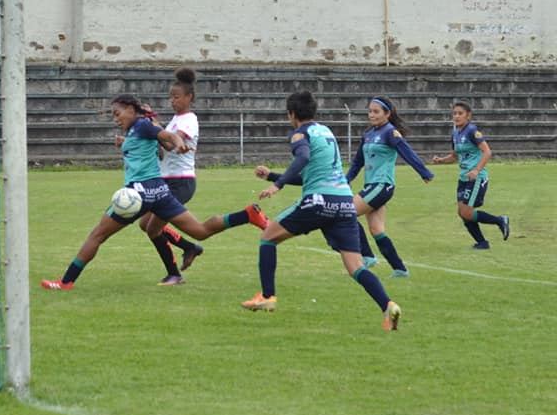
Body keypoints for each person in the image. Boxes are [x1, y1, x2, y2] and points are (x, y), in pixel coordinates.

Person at [41, 93, 268, 291]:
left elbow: (169, 137)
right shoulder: (136, 130)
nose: (115, 118)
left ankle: (66, 282)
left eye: (117, 113)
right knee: (199, 230)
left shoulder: (142, 125)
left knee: (97, 235)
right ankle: (246, 215)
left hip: (138, 194)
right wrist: (128, 143)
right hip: (159, 191)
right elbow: (160, 148)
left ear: (131, 110)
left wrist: (178, 141)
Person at [249, 90, 402, 331]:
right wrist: (272, 174)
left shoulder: (301, 133)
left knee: (268, 237)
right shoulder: (326, 131)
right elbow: (310, 176)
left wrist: (277, 184)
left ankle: (267, 298)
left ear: (291, 114)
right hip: (344, 203)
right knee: (355, 266)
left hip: (319, 201)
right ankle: (388, 305)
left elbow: (303, 157)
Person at [136, 68, 266, 285]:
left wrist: (153, 127)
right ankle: (189, 249)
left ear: (189, 97)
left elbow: (170, 143)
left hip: (180, 182)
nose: (172, 101)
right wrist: (149, 135)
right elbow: (163, 150)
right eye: (170, 97)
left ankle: (176, 272)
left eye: (176, 97)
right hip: (167, 181)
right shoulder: (174, 120)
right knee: (146, 225)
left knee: (188, 230)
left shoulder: (188, 120)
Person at [345, 96, 434, 277]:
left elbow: (406, 151)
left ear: (387, 113)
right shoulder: (368, 134)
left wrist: (423, 172)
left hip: (382, 185)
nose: (372, 115)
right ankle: (400, 269)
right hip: (372, 185)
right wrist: (347, 179)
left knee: (346, 212)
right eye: (370, 111)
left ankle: (368, 256)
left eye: (376, 111)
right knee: (376, 230)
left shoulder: (390, 132)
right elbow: (357, 161)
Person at [431, 100, 510, 249]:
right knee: (462, 212)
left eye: (460, 113)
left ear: (468, 116)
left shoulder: (472, 131)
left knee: (466, 212)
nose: (456, 116)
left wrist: (476, 170)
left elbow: (487, 152)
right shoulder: (455, 133)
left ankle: (500, 220)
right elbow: (454, 156)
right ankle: (482, 243)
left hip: (476, 178)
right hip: (463, 178)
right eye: (454, 113)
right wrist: (441, 160)